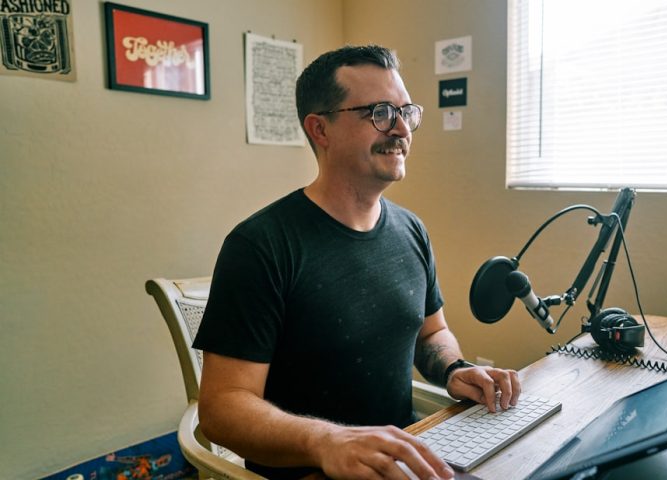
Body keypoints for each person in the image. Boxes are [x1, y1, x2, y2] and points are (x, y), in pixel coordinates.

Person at [193, 44, 521, 480]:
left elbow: (431, 332)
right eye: (380, 113)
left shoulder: (411, 230)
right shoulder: (260, 246)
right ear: (320, 129)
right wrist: (327, 441)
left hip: (407, 457)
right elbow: (222, 409)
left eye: (406, 112)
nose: (401, 129)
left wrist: (454, 369)